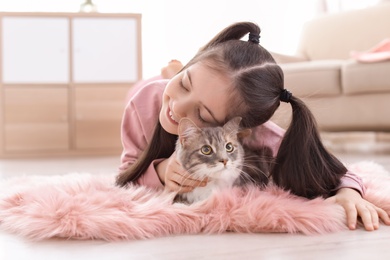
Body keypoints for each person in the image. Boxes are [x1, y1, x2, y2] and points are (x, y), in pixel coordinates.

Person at [116, 22, 390, 231]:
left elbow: (329, 169)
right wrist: (161, 171)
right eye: (186, 83)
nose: (178, 107)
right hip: (154, 88)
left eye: (203, 113)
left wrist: (348, 192)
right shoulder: (146, 102)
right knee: (158, 86)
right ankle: (172, 72)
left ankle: (177, 73)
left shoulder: (260, 135)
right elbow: (127, 169)